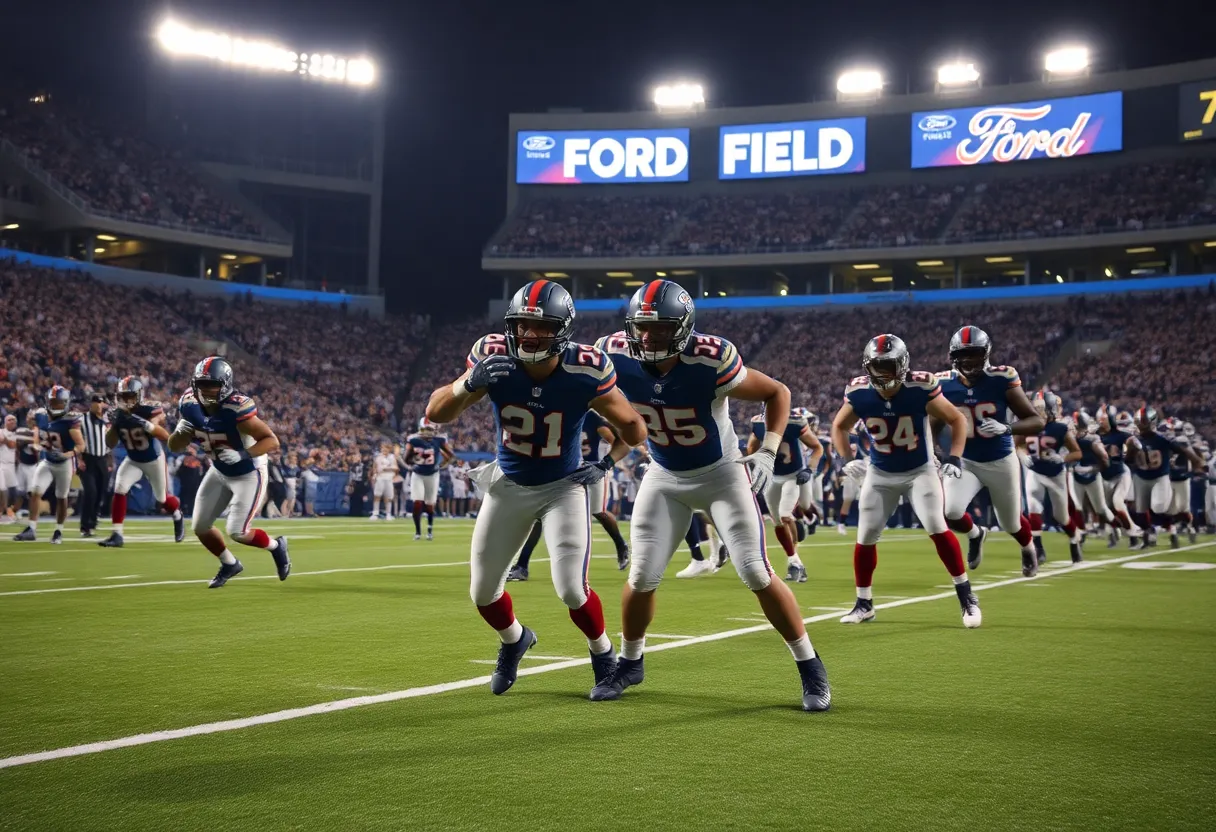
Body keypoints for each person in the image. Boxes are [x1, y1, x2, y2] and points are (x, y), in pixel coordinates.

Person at [591, 279, 830, 711]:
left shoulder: (710, 358)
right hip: (664, 473)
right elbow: (577, 400)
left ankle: (810, 666)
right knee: (642, 576)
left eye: (660, 327)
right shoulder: (612, 354)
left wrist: (769, 452)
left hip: (721, 473)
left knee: (756, 572)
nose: (648, 337)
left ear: (683, 327)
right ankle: (630, 663)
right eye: (642, 326)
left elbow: (777, 392)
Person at [425, 279, 647, 697]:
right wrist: (467, 384)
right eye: (523, 324)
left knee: (569, 587)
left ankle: (603, 654)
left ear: (562, 330)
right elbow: (437, 412)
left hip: (562, 487)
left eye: (541, 326)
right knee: (482, 591)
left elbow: (635, 428)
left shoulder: (586, 367)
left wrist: (604, 463)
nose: (529, 334)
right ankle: (515, 639)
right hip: (508, 483)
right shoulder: (492, 355)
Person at [831, 334, 980, 628]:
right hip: (880, 472)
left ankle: (966, 596)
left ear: (902, 366)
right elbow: (839, 426)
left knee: (937, 527)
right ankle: (864, 603)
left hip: (919, 471)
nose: (882, 374)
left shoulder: (920, 387)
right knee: (865, 536)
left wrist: (955, 457)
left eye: (888, 367)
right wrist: (847, 459)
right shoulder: (859, 391)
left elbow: (957, 419)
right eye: (877, 366)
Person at [168, 356, 291, 588]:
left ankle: (276, 546)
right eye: (201, 384)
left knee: (238, 531)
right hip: (219, 470)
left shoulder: (235, 407)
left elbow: (271, 440)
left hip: (248, 472)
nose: (205, 390)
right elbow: (174, 447)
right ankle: (229, 563)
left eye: (211, 384)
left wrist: (243, 454)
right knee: (200, 526)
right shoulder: (189, 404)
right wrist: (180, 431)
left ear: (224, 384)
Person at [935, 326, 1044, 577]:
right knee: (950, 512)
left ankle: (1028, 547)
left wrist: (1007, 428)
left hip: (1000, 460)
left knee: (1010, 523)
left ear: (986, 354)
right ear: (953, 357)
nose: (969, 361)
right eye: (963, 355)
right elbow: (934, 424)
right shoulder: (944, 384)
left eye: (974, 354)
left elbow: (1035, 421)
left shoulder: (1001, 378)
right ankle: (976, 534)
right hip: (966, 461)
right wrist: (937, 454)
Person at [98, 377, 185, 547]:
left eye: (130, 396)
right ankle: (117, 534)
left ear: (138, 396)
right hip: (133, 460)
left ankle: (177, 514)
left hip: (153, 460)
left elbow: (165, 436)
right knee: (119, 488)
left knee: (162, 499)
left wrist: (142, 423)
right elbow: (110, 443)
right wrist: (113, 425)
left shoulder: (149, 410)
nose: (126, 400)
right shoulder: (119, 415)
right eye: (123, 396)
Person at [747, 406, 824, 582]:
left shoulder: (795, 422)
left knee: (787, 513)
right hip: (773, 477)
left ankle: (797, 552)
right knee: (777, 520)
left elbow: (817, 447)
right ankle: (795, 561)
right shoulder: (758, 423)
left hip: (794, 475)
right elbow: (752, 446)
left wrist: (810, 469)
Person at [1018, 390, 1084, 564]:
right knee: (1033, 507)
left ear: (1049, 409)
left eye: (1039, 408)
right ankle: (1039, 549)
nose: (1035, 411)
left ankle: (1074, 539)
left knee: (1061, 517)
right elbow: (1017, 445)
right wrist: (1023, 455)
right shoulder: (1028, 425)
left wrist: (1062, 458)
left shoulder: (1060, 428)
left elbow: (1077, 453)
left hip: (1056, 475)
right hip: (1036, 472)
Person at [13, 386, 86, 544]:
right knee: (34, 492)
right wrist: (37, 443)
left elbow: (81, 446)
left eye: (58, 403)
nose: (55, 406)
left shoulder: (70, 420)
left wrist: (67, 454)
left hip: (64, 462)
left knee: (61, 497)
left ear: (66, 403)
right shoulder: (41, 415)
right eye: (52, 402)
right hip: (47, 461)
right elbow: (36, 429)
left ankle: (58, 531)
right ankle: (31, 528)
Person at [1130, 408, 1205, 549]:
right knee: (1164, 509)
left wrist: (1196, 462)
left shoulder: (1169, 440)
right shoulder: (1138, 439)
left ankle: (1189, 527)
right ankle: (1167, 533)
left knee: (1182, 509)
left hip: (1179, 478)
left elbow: (1187, 452)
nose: (1170, 432)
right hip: (1165, 478)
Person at [1096, 406, 1143, 548]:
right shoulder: (1096, 435)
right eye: (1100, 419)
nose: (1100, 422)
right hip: (1103, 476)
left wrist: (1131, 447)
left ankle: (1133, 535)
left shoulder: (1120, 434)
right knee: (1105, 509)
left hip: (1120, 473)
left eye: (1103, 419)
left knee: (1118, 502)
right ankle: (1114, 532)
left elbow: (1136, 444)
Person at [404, 417, 456, 540]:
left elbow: (451, 456)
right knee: (417, 502)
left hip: (432, 474)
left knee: (429, 505)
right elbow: (406, 458)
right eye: (425, 429)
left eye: (429, 429)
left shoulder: (439, 440)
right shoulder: (413, 440)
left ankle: (429, 530)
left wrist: (442, 464)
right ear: (420, 429)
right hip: (418, 474)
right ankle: (417, 532)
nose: (427, 432)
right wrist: (414, 459)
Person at [77, 393, 112, 538]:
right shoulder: (82, 419)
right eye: (96, 402)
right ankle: (85, 525)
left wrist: (110, 462)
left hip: (102, 460)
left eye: (101, 402)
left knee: (100, 493)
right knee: (90, 492)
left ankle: (93, 521)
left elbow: (109, 443)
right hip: (88, 460)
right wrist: (79, 459)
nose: (98, 405)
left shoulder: (106, 420)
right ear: (90, 404)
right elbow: (75, 439)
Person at [370, 442, 400, 520]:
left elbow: (397, 468)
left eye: (385, 448)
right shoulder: (378, 457)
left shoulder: (392, 457)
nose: (383, 449)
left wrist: (388, 469)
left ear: (389, 449)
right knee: (377, 495)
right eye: (382, 448)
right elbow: (374, 467)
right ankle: (375, 514)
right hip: (380, 478)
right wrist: (374, 475)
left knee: (389, 497)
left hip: (389, 479)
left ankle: (388, 514)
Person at [0, 414, 16, 523]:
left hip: (11, 465)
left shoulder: (16, 434)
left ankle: (8, 510)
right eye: (9, 420)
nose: (12, 421)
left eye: (14, 420)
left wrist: (4, 439)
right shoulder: (1, 431)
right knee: (2, 488)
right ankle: (2, 511)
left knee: (12, 490)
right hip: (0, 463)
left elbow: (12, 445)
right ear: (5, 422)